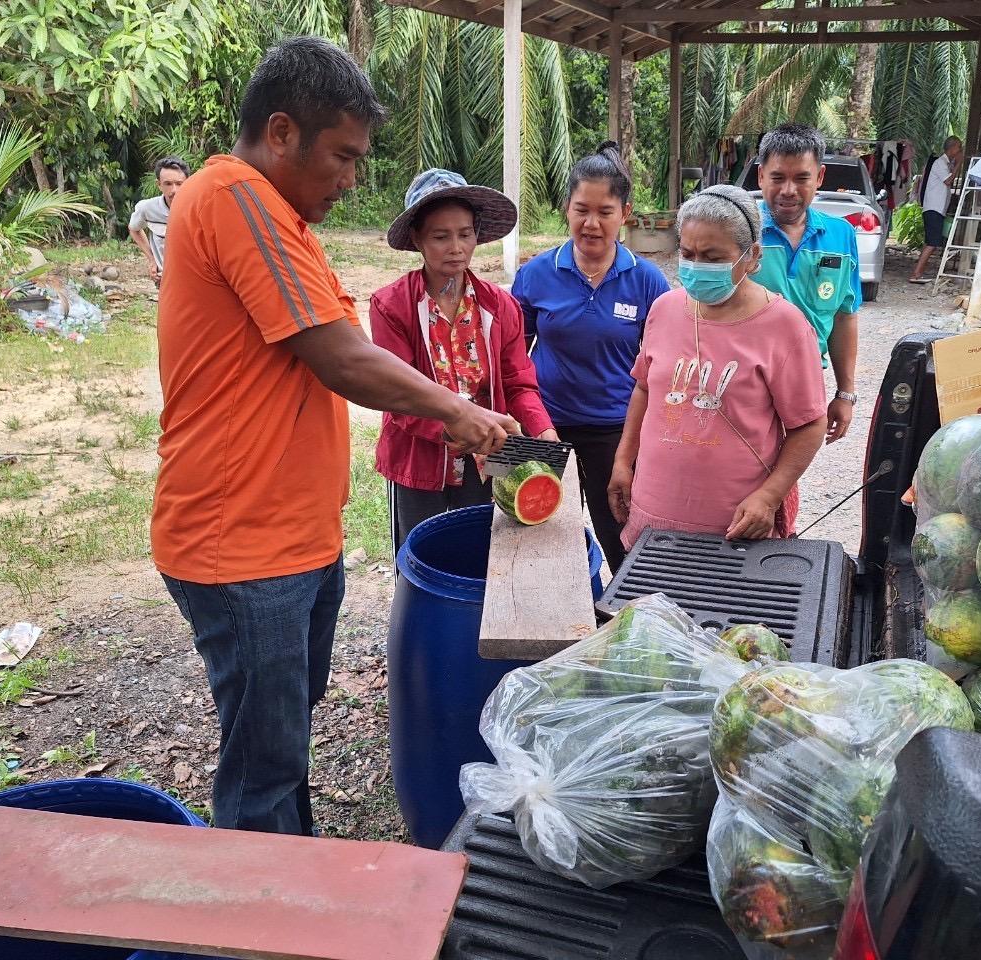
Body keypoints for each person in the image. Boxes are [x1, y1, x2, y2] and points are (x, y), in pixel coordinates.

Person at [151, 37, 518, 836]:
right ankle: (261, 921)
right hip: (242, 545)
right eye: (342, 157)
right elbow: (342, 357)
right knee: (264, 764)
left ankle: (290, 864)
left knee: (279, 740)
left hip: (291, 540)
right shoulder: (235, 196)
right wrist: (461, 412)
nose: (353, 179)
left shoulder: (283, 221)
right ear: (281, 132)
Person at [607, 185, 827, 549]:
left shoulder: (785, 326)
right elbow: (645, 388)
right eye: (688, 254)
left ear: (753, 256)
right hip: (654, 512)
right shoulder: (664, 310)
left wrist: (770, 496)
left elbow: (809, 424)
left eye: (712, 258)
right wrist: (623, 461)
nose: (695, 268)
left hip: (735, 525)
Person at [371, 168, 556, 550]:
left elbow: (518, 380)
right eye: (440, 236)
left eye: (465, 234)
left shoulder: (501, 306)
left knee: (478, 557)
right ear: (418, 240)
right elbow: (394, 394)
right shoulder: (392, 307)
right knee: (420, 563)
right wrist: (453, 427)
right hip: (418, 463)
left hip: (487, 460)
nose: (456, 247)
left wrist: (543, 431)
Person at [511, 142, 670, 572]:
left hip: (614, 434)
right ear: (566, 207)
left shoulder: (647, 280)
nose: (592, 223)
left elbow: (664, 367)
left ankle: (622, 623)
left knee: (619, 536)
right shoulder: (535, 275)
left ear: (625, 213)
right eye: (582, 209)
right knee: (542, 537)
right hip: (546, 429)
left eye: (605, 211)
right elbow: (512, 356)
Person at [751, 123, 861, 444]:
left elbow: (844, 315)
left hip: (807, 381)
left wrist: (845, 392)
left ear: (820, 177)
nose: (788, 190)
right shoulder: (739, 231)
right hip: (744, 382)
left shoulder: (842, 236)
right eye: (777, 178)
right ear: (761, 176)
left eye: (801, 178)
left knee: (789, 473)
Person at [908, 135, 963, 284]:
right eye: (959, 148)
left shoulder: (945, 164)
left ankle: (918, 272)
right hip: (934, 208)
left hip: (937, 208)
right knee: (932, 242)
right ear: (952, 148)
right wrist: (959, 163)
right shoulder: (940, 163)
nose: (960, 151)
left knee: (930, 241)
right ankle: (916, 273)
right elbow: (948, 180)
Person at [128, 157, 190, 286]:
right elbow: (134, 229)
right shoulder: (147, 208)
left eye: (179, 184)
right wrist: (152, 259)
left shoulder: (199, 209)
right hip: (165, 280)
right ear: (159, 185)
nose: (174, 190)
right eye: (168, 184)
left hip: (194, 280)